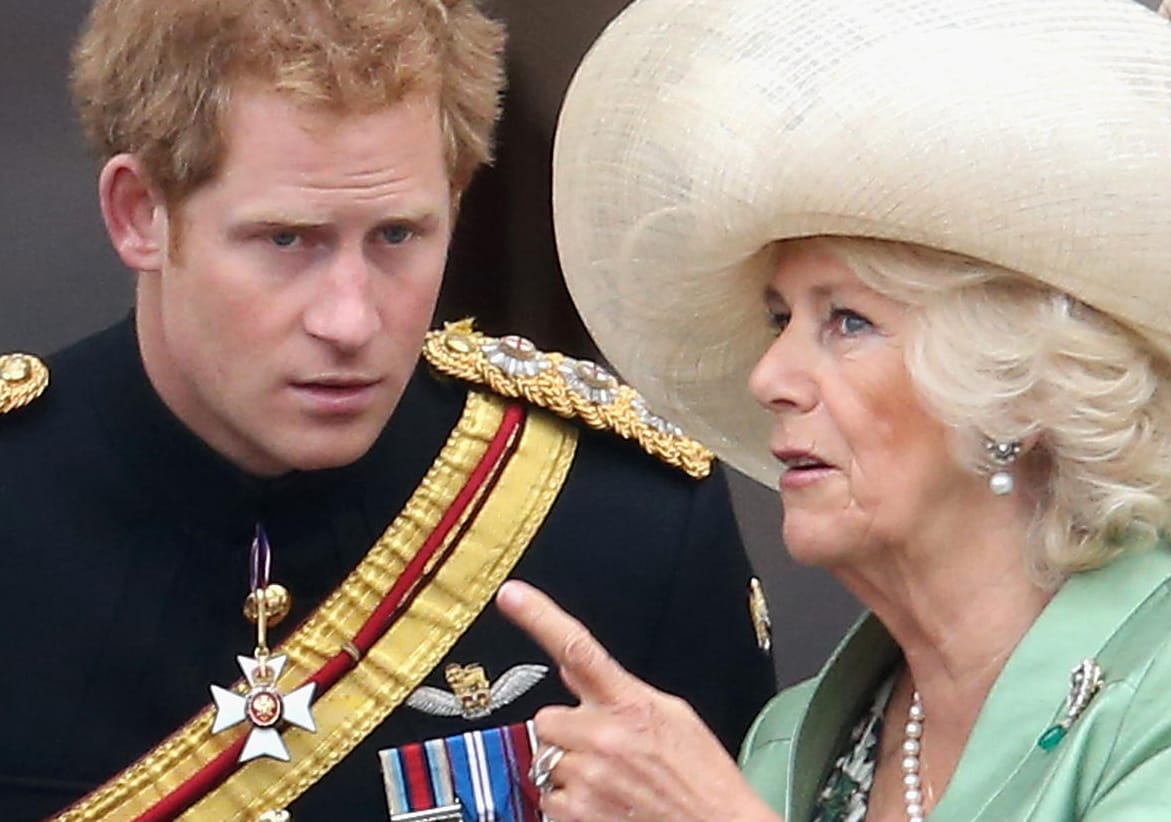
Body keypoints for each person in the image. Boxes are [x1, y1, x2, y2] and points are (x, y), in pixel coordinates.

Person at [0, 1, 776, 819]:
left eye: (397, 236)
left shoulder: (628, 525)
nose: (351, 320)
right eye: (286, 241)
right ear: (139, 214)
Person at [492, 0, 1171, 819]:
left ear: (1020, 390)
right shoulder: (792, 742)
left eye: (846, 321)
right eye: (780, 319)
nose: (770, 374)